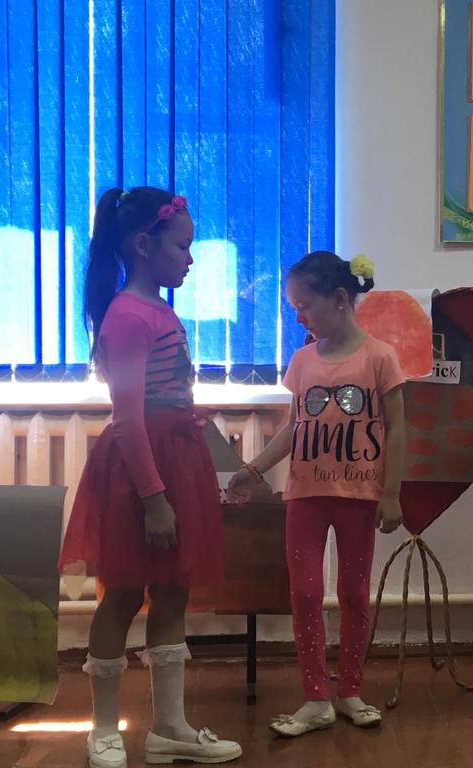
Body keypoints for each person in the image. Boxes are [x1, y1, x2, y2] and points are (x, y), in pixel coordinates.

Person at [59, 187, 242, 767]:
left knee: (172, 590)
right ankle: (103, 729)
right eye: (181, 246)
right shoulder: (127, 316)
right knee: (121, 593)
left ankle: (169, 728)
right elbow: (128, 418)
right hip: (140, 471)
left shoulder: (161, 309)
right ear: (143, 245)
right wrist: (155, 499)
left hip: (177, 460)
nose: (190, 258)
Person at [228, 251, 405, 736]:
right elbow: (295, 427)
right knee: (305, 593)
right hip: (305, 495)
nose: (298, 316)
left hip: (359, 496)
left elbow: (398, 430)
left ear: (340, 299)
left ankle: (350, 690)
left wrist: (391, 493)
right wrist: (254, 469)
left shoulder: (379, 358)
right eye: (294, 307)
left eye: (304, 306)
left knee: (353, 593)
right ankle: (315, 698)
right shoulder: (302, 360)